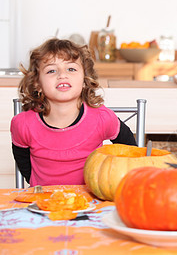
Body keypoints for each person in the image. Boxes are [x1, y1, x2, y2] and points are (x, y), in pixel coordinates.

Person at [11, 38, 137, 186]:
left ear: (84, 80)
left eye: (71, 69)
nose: (62, 75)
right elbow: (22, 159)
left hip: (91, 203)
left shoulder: (102, 118)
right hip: (43, 203)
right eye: (51, 70)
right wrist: (34, 181)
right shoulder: (23, 124)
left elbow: (130, 150)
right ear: (37, 84)